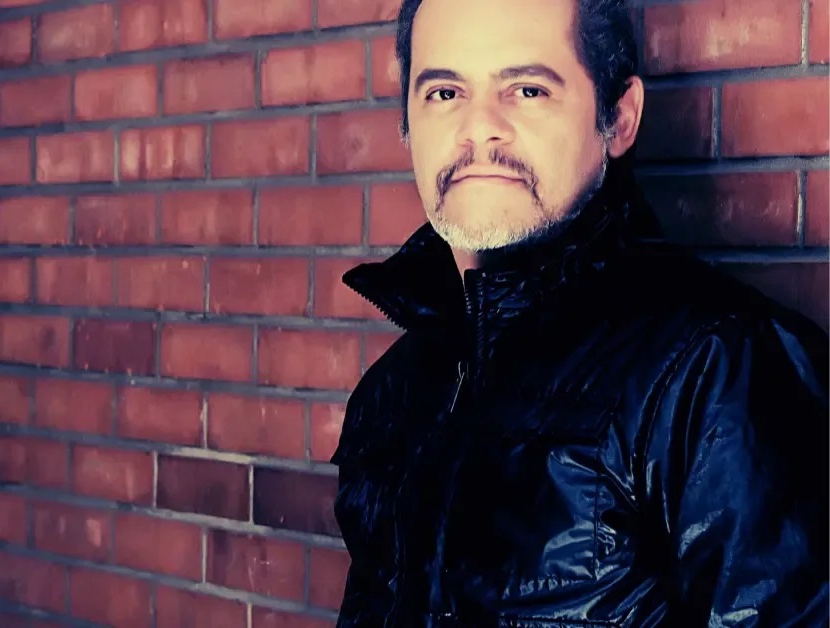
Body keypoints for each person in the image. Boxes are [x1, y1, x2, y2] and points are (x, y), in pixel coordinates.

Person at [331, 0, 830, 625]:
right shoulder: (394, 387)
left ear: (618, 118)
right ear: (407, 123)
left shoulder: (717, 367)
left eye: (527, 89)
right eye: (445, 92)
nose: (478, 128)